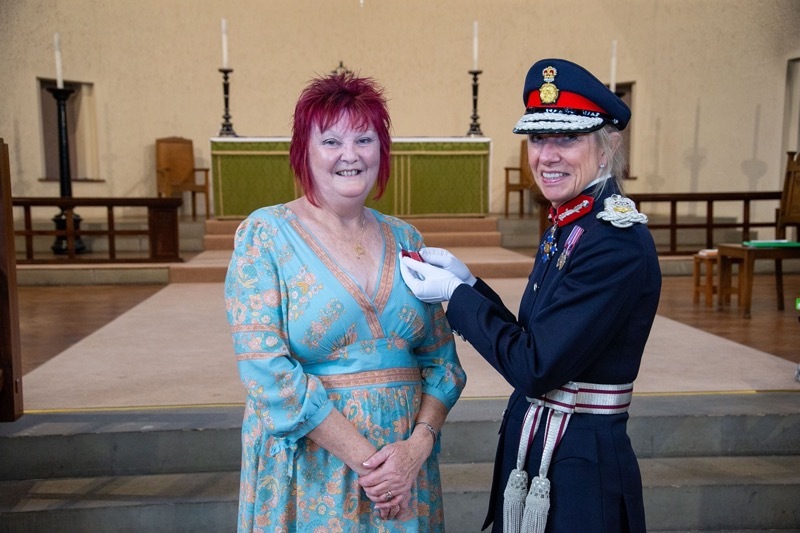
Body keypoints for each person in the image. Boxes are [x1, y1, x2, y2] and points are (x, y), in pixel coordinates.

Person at [400, 58, 661, 533]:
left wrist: (456, 296)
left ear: (607, 148)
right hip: (542, 448)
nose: (548, 154)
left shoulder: (613, 241)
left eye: (567, 138)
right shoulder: (572, 221)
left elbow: (534, 367)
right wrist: (470, 284)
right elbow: (537, 337)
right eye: (539, 139)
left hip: (580, 468)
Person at [224, 72, 466, 532]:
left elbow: (442, 363)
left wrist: (414, 450)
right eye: (331, 140)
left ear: (382, 149)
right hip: (317, 467)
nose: (350, 154)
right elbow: (265, 370)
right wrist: (374, 466)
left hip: (405, 469)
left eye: (364, 138)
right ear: (304, 151)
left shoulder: (406, 238)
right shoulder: (265, 235)